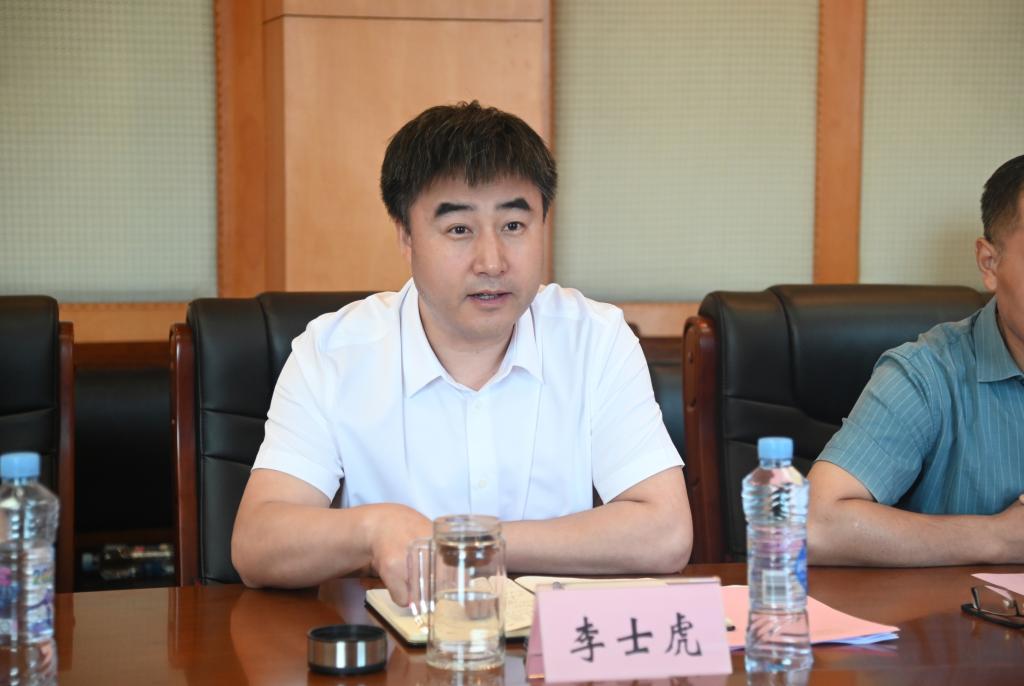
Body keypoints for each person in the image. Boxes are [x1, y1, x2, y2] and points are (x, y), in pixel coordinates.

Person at [231, 102, 693, 601]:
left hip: (549, 643)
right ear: (405, 235)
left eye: (514, 226)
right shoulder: (333, 353)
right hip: (393, 642)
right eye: (459, 229)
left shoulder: (594, 339)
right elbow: (257, 544)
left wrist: (465, 544)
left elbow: (665, 533)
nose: (491, 262)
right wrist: (374, 530)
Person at [807, 154, 1024, 566]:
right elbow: (815, 525)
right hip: (964, 609)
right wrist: (999, 537)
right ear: (990, 263)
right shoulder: (927, 374)